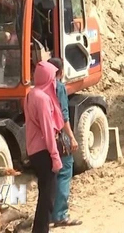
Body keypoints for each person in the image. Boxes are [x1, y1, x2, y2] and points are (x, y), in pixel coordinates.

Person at [24, 61, 64, 233]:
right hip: (43, 151)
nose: (55, 80)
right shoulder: (43, 99)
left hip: (34, 150)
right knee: (48, 198)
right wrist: (55, 157)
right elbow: (48, 131)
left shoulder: (31, 94)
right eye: (53, 76)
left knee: (44, 195)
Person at [47, 57, 82, 227]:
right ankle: (60, 215)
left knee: (49, 176)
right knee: (64, 172)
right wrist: (72, 138)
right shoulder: (58, 87)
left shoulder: (39, 89)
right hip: (60, 137)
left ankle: (47, 214)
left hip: (44, 138)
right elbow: (63, 116)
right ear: (60, 72)